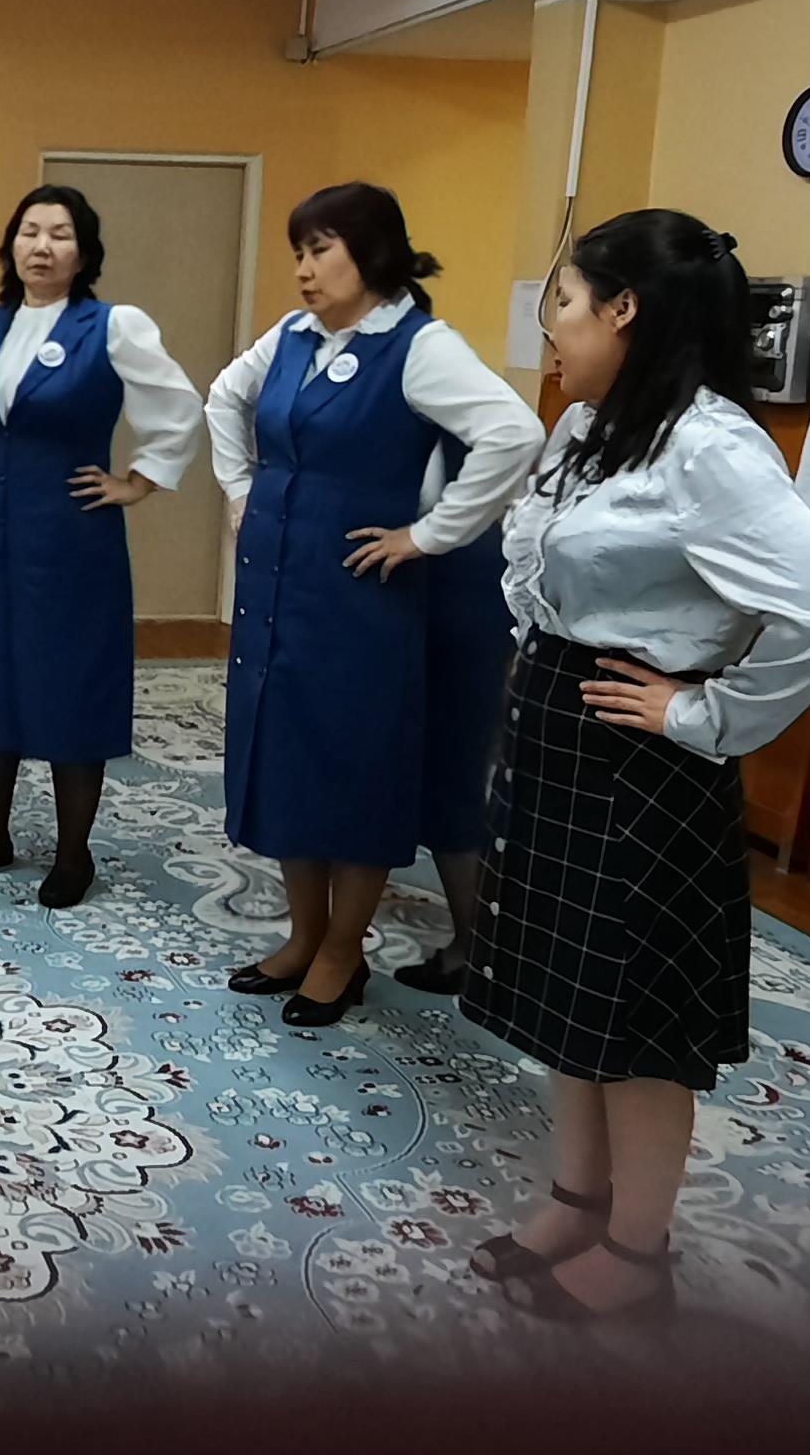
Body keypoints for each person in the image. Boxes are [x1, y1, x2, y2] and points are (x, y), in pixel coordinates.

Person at [459, 207, 810, 1324]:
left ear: (624, 310)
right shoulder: (590, 426)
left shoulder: (710, 447)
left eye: (564, 303)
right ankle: (574, 1203)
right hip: (561, 725)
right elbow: (542, 565)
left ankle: (637, 1256)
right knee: (568, 996)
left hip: (641, 757)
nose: (550, 327)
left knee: (636, 1020)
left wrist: (707, 711)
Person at [208, 183, 542, 1027]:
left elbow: (514, 433)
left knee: (354, 766)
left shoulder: (419, 346)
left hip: (363, 593)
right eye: (299, 252)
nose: (304, 269)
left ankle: (342, 951)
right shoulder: (291, 336)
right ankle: (303, 935)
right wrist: (242, 490)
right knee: (288, 758)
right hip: (279, 585)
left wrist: (431, 534)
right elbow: (222, 398)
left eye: (321, 250)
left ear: (373, 253)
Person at [0, 184, 205, 907]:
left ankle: (74, 854)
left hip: (74, 535)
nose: (42, 246)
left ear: (84, 252)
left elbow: (178, 407)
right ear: (11, 245)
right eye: (30, 231)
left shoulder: (111, 326)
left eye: (60, 234)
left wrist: (137, 481)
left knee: (72, 683)